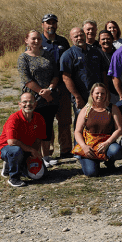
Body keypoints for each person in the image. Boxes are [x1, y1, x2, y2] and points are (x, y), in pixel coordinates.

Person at [18, 30, 60, 166]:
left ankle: (47, 156)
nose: (36, 41)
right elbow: (26, 79)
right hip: (32, 98)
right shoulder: (23, 58)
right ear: (26, 40)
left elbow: (55, 74)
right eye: (33, 39)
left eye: (39, 39)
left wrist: (50, 90)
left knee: (47, 126)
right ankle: (37, 156)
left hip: (50, 97)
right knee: (34, 128)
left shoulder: (48, 55)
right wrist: (42, 92)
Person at [72, 83, 122, 177]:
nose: (100, 95)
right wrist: (84, 146)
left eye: (102, 93)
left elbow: (119, 129)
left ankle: (108, 161)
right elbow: (77, 131)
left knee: (116, 151)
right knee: (91, 173)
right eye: (97, 93)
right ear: (92, 94)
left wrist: (107, 143)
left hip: (106, 143)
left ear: (106, 95)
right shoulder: (86, 109)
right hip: (89, 144)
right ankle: (92, 161)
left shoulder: (112, 108)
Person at [40, 13, 73, 158]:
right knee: (47, 121)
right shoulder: (38, 40)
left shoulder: (63, 42)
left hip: (63, 87)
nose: (51, 25)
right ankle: (48, 152)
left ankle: (66, 151)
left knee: (65, 120)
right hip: (45, 89)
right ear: (43, 25)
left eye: (53, 23)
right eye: (48, 23)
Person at [0, 92, 46, 187]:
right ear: (19, 104)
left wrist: (36, 154)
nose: (28, 104)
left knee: (39, 175)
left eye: (31, 102)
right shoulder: (14, 118)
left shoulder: (39, 118)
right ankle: (14, 178)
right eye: (25, 102)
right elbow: (11, 142)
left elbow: (38, 139)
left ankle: (10, 166)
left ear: (35, 104)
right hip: (8, 147)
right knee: (16, 151)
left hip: (25, 148)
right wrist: (31, 150)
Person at [60, 26, 104, 115]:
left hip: (98, 95)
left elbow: (103, 72)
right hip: (81, 97)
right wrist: (77, 96)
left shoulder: (95, 52)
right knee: (82, 122)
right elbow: (66, 78)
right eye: (76, 36)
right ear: (71, 38)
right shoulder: (68, 55)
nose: (79, 38)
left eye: (81, 35)